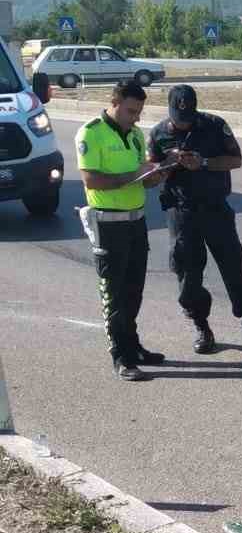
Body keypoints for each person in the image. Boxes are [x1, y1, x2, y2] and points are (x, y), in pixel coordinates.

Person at [148, 85, 242, 357]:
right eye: (178, 119)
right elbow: (150, 176)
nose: (184, 123)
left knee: (234, 269)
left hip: (215, 208)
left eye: (188, 117)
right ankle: (202, 327)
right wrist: (167, 165)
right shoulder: (158, 134)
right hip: (181, 212)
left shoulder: (214, 125)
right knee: (187, 275)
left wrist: (204, 163)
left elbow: (236, 159)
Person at [75, 78, 168, 382]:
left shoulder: (137, 135)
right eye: (131, 111)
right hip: (108, 223)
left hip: (136, 221)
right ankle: (121, 356)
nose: (136, 117)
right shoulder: (91, 133)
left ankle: (133, 345)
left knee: (134, 291)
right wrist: (134, 174)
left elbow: (145, 179)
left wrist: (161, 171)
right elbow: (92, 180)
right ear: (114, 103)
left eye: (139, 111)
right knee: (114, 295)